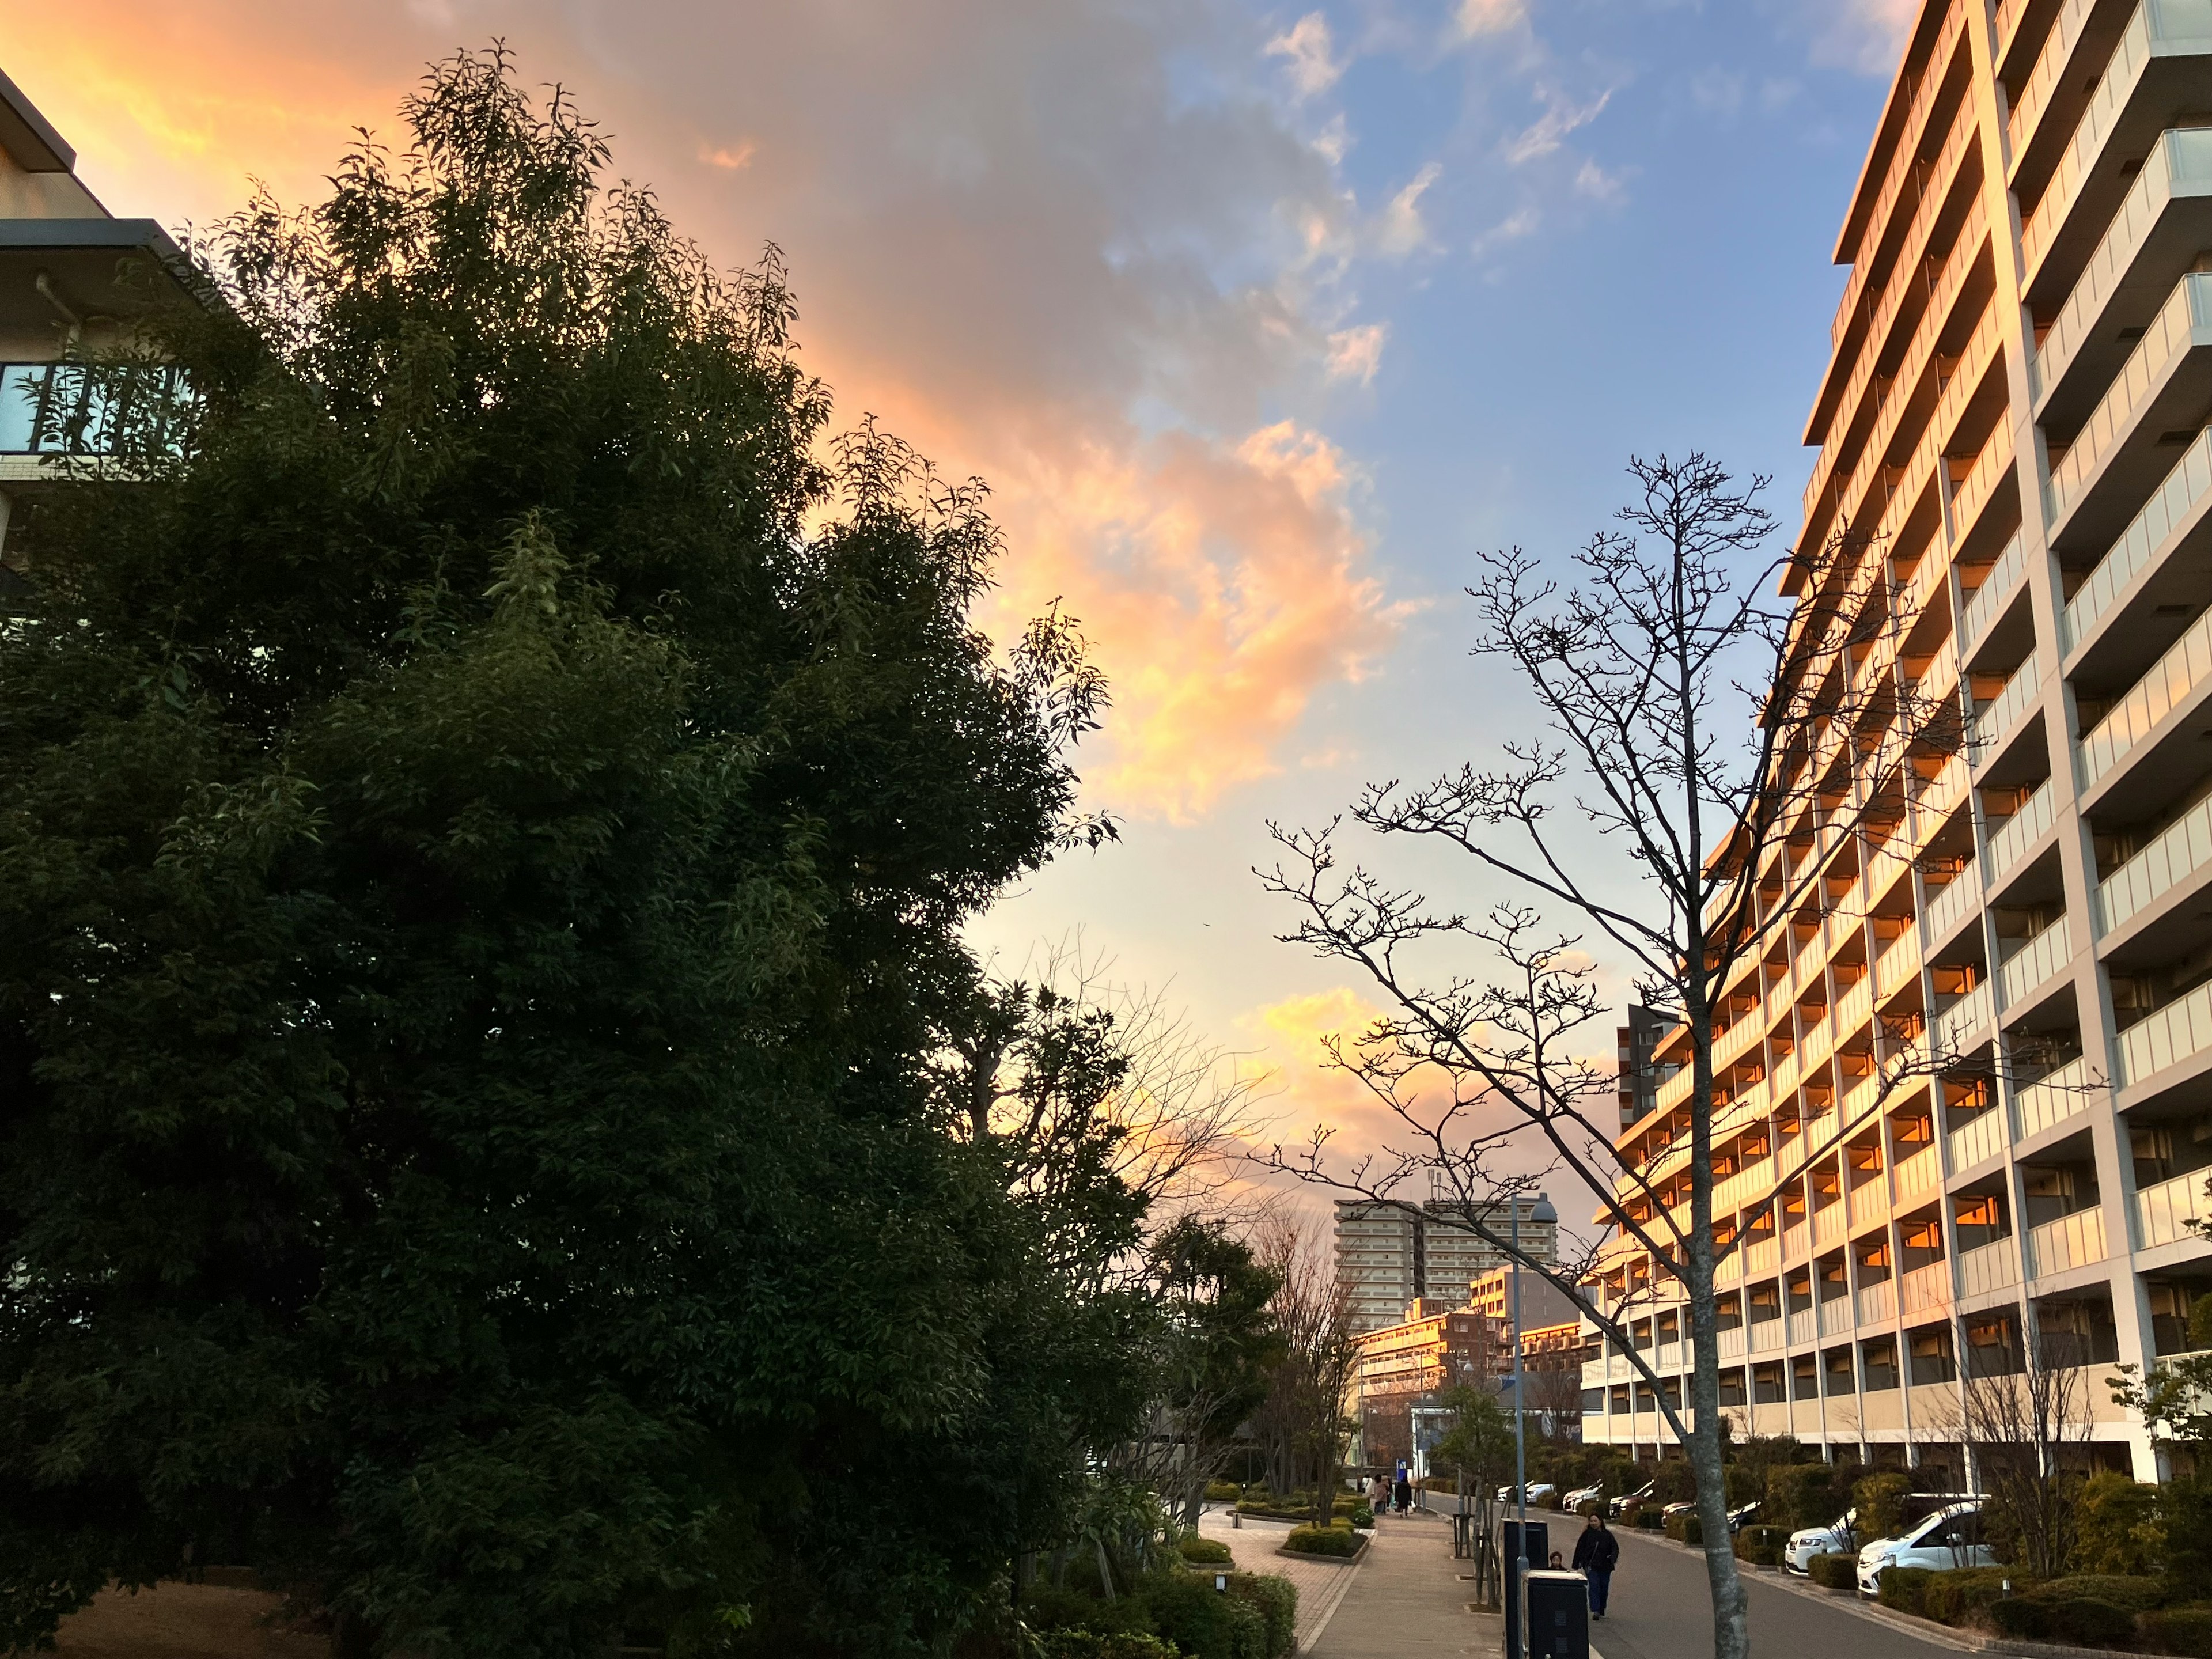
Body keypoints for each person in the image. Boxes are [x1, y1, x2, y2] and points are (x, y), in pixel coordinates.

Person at [1572, 1512, 1620, 1620]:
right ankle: (1596, 1610)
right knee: (1594, 1587)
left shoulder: (1607, 1535)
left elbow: (1615, 1548)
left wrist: (1612, 1559)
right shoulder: (1586, 1535)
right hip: (1591, 1566)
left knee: (1604, 1588)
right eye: (1591, 1521)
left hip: (1605, 1567)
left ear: (1600, 1521)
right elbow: (1579, 1549)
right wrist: (1577, 1562)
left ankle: (1602, 1607)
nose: (1593, 1523)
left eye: (1595, 1521)